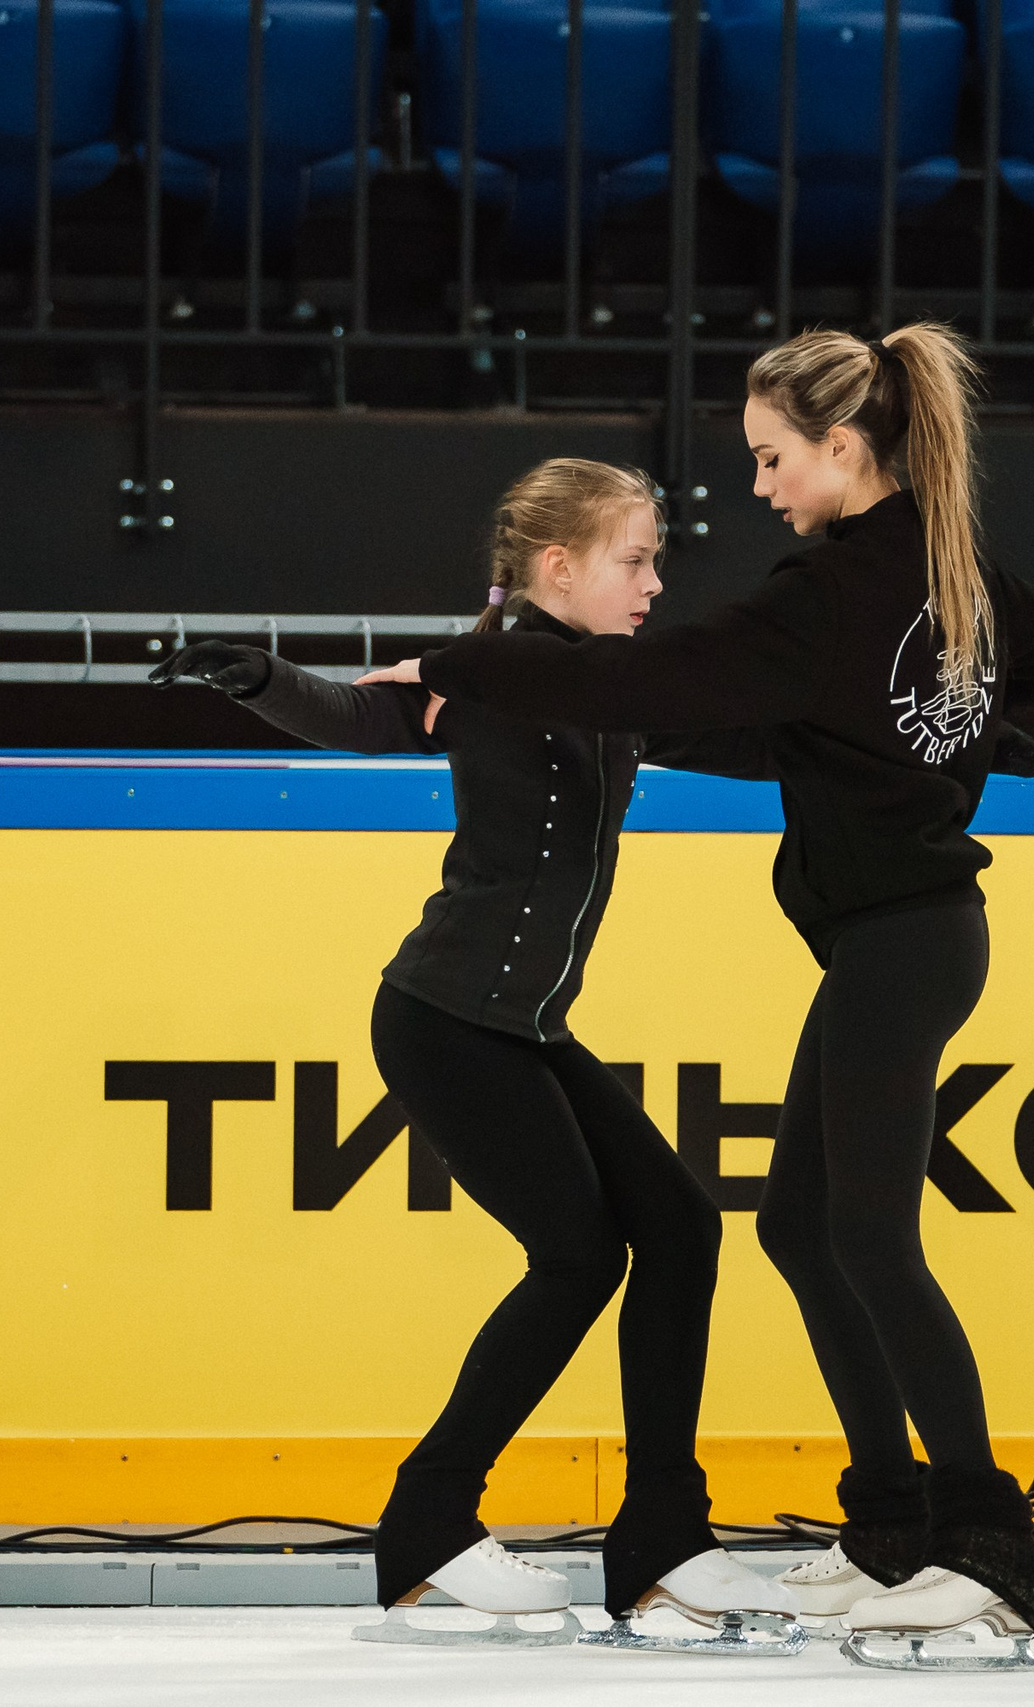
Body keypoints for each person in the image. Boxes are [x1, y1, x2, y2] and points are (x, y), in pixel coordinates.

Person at [358, 325, 1034, 1664]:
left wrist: (459, 663)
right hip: (899, 937)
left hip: (907, 937)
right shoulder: (945, 566)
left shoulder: (830, 593)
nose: (761, 485)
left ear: (841, 446)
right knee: (799, 1227)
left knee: (870, 1238)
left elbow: (638, 681)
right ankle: (890, 1523)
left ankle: (988, 1546)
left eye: (772, 457)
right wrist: (970, 712)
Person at [151, 459, 801, 1653]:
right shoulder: (489, 673)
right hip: (448, 1019)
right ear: (557, 568)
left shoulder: (612, 681)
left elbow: (745, 738)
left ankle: (661, 1536)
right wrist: (258, 677)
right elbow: (362, 712)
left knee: (680, 1227)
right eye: (635, 559)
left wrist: (916, 747)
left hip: (524, 1025)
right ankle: (430, 1528)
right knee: (574, 1257)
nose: (656, 581)